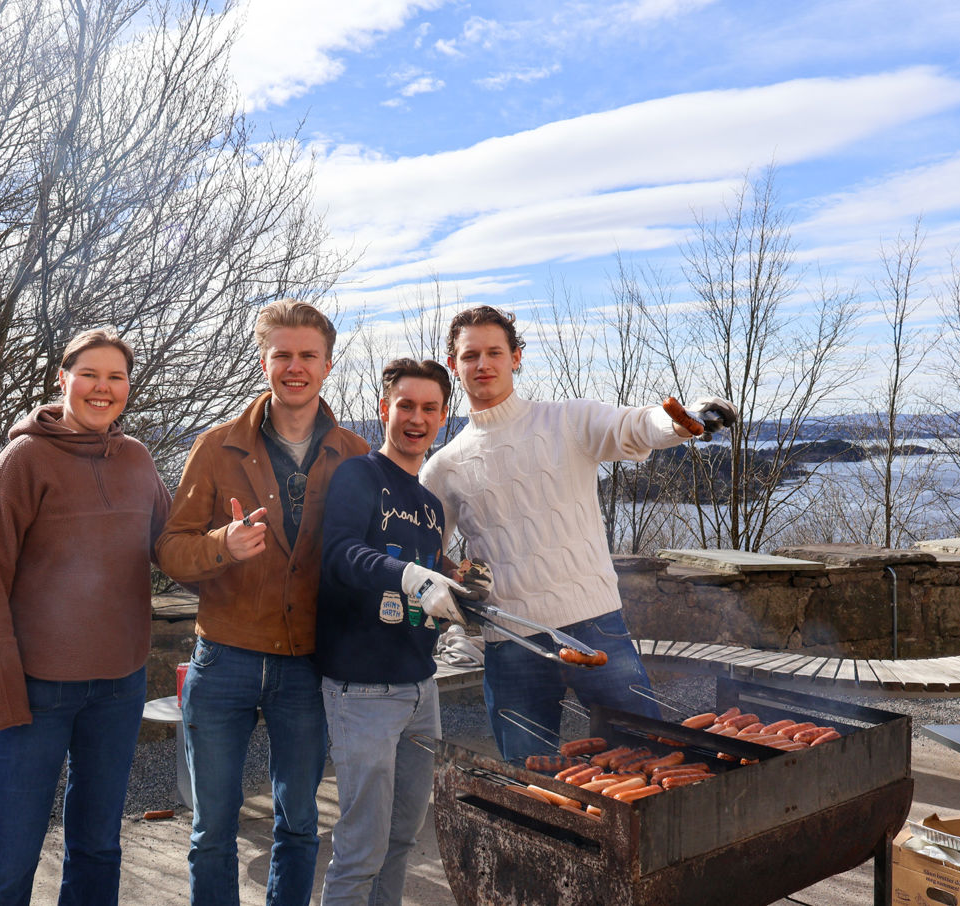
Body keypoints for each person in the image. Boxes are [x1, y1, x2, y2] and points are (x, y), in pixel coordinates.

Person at [419, 306, 736, 763]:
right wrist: (453, 588)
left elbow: (634, 425)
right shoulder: (444, 467)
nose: (482, 364)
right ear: (454, 364)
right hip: (512, 640)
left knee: (647, 755)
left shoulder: (566, 420)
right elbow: (425, 551)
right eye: (471, 355)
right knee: (530, 775)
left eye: (494, 352)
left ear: (516, 357)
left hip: (596, 623)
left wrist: (683, 418)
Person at [156, 300, 369, 906]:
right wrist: (222, 545)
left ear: (328, 365)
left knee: (299, 825)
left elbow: (371, 559)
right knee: (211, 831)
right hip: (223, 661)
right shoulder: (217, 447)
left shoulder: (355, 456)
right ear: (264, 360)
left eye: (307, 356)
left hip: (309, 665)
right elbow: (170, 550)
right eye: (283, 355)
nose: (294, 367)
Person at [0, 328, 173, 905]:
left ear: (129, 387)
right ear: (63, 379)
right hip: (35, 691)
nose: (104, 388)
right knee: (9, 855)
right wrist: (2, 690)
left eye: (117, 377)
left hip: (119, 686)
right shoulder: (24, 458)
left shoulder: (137, 459)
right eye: (91, 375)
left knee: (98, 846)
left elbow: (170, 544)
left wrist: (228, 543)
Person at [314, 358, 469, 906]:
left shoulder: (428, 503)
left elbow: (425, 575)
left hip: (420, 688)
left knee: (403, 836)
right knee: (361, 847)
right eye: (406, 405)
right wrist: (409, 575)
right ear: (385, 409)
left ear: (445, 417)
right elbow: (341, 556)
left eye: (430, 408)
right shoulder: (359, 474)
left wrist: (452, 579)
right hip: (362, 690)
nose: (416, 418)